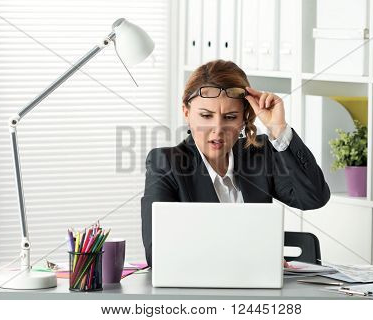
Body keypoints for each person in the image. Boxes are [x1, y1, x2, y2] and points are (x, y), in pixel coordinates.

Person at [140, 59, 330, 267]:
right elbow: (158, 254)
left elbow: (313, 197)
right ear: (186, 113)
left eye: (230, 117)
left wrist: (279, 129)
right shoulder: (166, 164)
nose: (218, 128)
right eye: (205, 115)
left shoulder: (259, 154)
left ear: (244, 118)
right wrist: (253, 258)